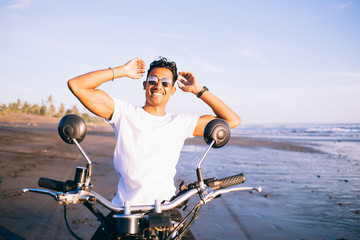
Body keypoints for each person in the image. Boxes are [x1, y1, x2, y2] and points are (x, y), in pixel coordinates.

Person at [68, 57, 241, 239]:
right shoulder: (124, 113)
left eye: (165, 82)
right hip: (124, 209)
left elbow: (232, 121)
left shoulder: (181, 122)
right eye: (153, 80)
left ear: (173, 90)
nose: (158, 86)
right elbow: (77, 85)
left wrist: (199, 90)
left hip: (166, 209)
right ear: (145, 85)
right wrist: (122, 71)